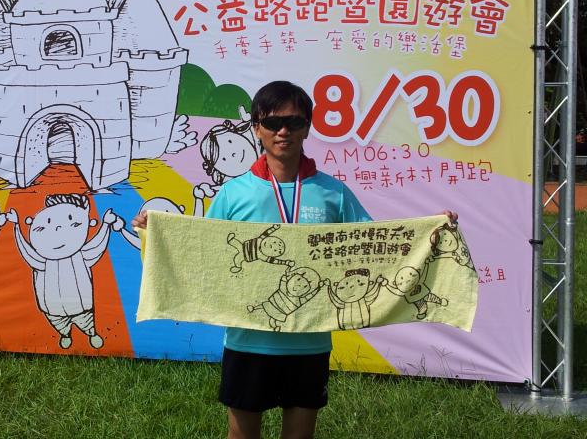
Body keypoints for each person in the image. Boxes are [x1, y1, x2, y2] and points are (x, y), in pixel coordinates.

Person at [133, 80, 456, 439]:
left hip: (309, 342)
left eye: (293, 122)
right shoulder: (233, 193)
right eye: (272, 123)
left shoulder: (332, 193)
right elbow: (203, 252)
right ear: (256, 128)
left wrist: (430, 232)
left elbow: (375, 245)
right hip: (247, 340)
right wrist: (155, 232)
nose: (283, 131)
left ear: (307, 127)